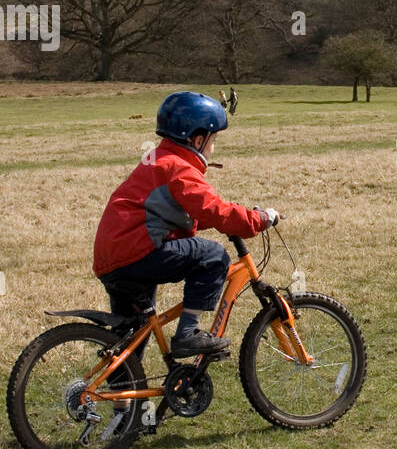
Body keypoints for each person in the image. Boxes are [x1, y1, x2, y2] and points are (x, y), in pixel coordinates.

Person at [92, 91, 280, 358]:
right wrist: (258, 219)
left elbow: (187, 214)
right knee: (213, 256)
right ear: (198, 139)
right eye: (213, 140)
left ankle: (123, 398)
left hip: (116, 258)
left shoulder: (159, 159)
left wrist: (235, 218)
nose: (214, 147)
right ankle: (188, 334)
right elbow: (214, 210)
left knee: (131, 339)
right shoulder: (177, 167)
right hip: (137, 252)